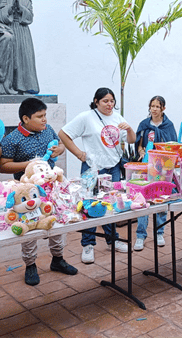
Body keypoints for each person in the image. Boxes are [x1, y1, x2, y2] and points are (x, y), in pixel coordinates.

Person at [0, 98, 77, 285]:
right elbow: (3, 166)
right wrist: (31, 165)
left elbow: (60, 146)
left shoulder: (47, 130)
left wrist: (59, 150)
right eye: (40, 116)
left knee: (56, 224)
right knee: (30, 227)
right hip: (27, 192)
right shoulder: (12, 139)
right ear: (26, 118)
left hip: (51, 188)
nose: (44, 120)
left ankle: (58, 259)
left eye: (45, 115)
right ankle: (30, 265)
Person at [59, 88, 133, 264]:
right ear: (96, 101)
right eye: (105, 101)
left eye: (112, 101)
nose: (109, 104)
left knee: (112, 205)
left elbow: (131, 140)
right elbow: (64, 133)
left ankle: (112, 240)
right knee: (90, 206)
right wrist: (79, 154)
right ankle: (88, 245)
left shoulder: (117, 117)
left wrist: (129, 129)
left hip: (113, 167)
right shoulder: (87, 117)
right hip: (93, 168)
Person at [133, 96, 177, 251]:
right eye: (152, 106)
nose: (154, 109)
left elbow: (173, 145)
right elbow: (138, 144)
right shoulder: (144, 125)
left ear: (163, 108)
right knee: (142, 199)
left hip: (163, 169)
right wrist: (141, 151)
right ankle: (140, 235)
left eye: (158, 106)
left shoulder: (168, 125)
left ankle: (160, 232)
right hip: (146, 167)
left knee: (161, 198)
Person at [0, 0, 40, 94]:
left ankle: (26, 86)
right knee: (12, 58)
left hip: (23, 31)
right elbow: (0, 14)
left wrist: (21, 8)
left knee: (24, 57)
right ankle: (11, 86)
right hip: (8, 30)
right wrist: (10, 7)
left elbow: (30, 17)